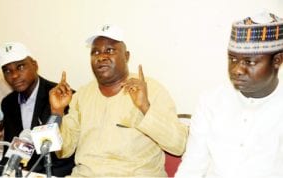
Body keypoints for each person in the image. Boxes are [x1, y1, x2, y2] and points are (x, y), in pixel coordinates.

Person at [49, 24, 188, 177]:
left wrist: (145, 107)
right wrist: (57, 112)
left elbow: (179, 145)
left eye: (110, 50)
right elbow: (63, 151)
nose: (101, 57)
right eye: (95, 52)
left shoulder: (151, 90)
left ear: (126, 56)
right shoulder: (83, 94)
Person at [175, 12, 283, 178]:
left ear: (277, 60)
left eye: (250, 62)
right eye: (232, 59)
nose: (236, 70)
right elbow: (193, 165)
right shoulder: (210, 101)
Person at [0, 42, 75, 177]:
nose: (14, 75)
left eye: (20, 67)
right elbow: (12, 150)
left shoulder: (61, 96)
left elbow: (65, 155)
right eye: (7, 71)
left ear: (35, 65)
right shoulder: (8, 103)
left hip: (53, 173)